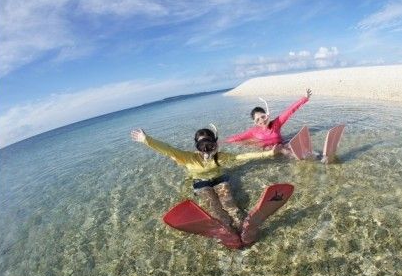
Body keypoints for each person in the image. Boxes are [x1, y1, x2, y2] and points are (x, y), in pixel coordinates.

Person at [131, 126, 282, 232]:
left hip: (219, 178)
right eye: (201, 145)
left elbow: (241, 156)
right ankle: (226, 227)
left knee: (229, 201)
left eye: (209, 144)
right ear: (196, 146)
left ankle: (242, 223)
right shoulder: (188, 158)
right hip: (200, 182)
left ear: (215, 143)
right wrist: (147, 140)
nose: (206, 149)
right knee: (213, 203)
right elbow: (168, 149)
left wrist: (269, 153)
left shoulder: (220, 157)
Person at [224, 88, 312, 155]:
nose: (262, 120)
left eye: (263, 117)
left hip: (282, 146)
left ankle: (314, 156)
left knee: (287, 147)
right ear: (255, 123)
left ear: (267, 115)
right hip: (268, 152)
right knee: (254, 145)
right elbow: (238, 138)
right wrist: (221, 142)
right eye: (258, 120)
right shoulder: (253, 131)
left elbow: (290, 110)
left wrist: (305, 98)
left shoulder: (276, 123)